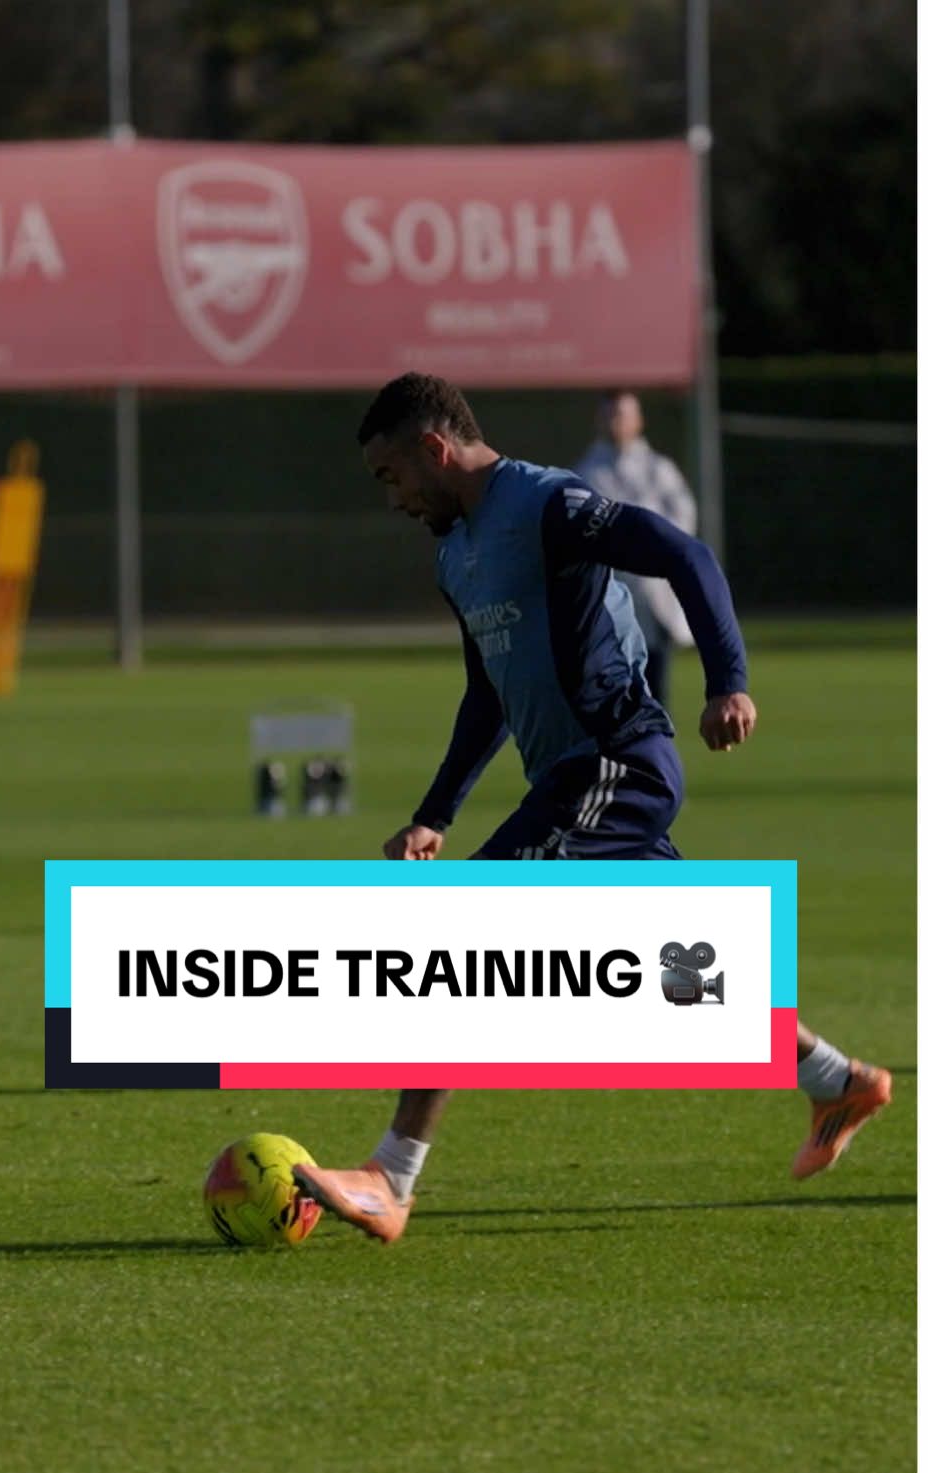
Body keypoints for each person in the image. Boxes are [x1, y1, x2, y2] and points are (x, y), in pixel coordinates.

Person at [292, 374, 891, 1242]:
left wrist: (729, 681)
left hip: (616, 761)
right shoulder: (455, 553)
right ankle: (837, 1079)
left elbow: (687, 555)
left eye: (391, 477)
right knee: (682, 974)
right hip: (573, 780)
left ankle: (392, 1174)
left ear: (433, 450)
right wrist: (437, 811)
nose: (392, 499)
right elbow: (486, 694)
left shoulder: (552, 505)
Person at [572, 389, 696, 708]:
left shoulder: (658, 468)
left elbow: (682, 516)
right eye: (610, 414)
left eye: (623, 414)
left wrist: (653, 549)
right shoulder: (586, 472)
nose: (616, 421)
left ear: (638, 420)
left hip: (653, 593)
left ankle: (657, 752)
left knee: (656, 685)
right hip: (609, 593)